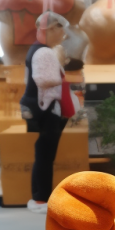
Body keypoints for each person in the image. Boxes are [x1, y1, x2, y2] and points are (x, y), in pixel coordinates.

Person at [20, 12, 70, 213]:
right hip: (46, 108)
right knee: (45, 154)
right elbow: (43, 79)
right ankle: (41, 198)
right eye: (60, 30)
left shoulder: (39, 50)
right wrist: (62, 79)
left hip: (43, 106)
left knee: (43, 153)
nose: (62, 35)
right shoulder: (44, 53)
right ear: (50, 28)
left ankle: (40, 197)